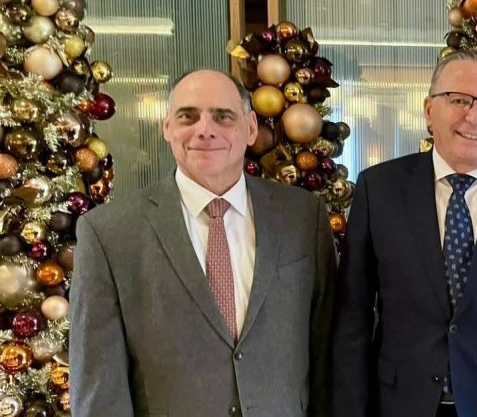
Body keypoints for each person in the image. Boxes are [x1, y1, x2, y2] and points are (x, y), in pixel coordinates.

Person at [71, 69, 336, 416]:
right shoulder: (109, 232)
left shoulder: (303, 217)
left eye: (223, 116)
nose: (205, 130)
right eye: (188, 116)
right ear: (168, 127)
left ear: (251, 128)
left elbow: (326, 351)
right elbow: (99, 387)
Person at [331, 50, 477, 417]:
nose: (474, 116)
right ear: (429, 110)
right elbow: (353, 319)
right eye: (459, 100)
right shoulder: (378, 190)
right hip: (399, 406)